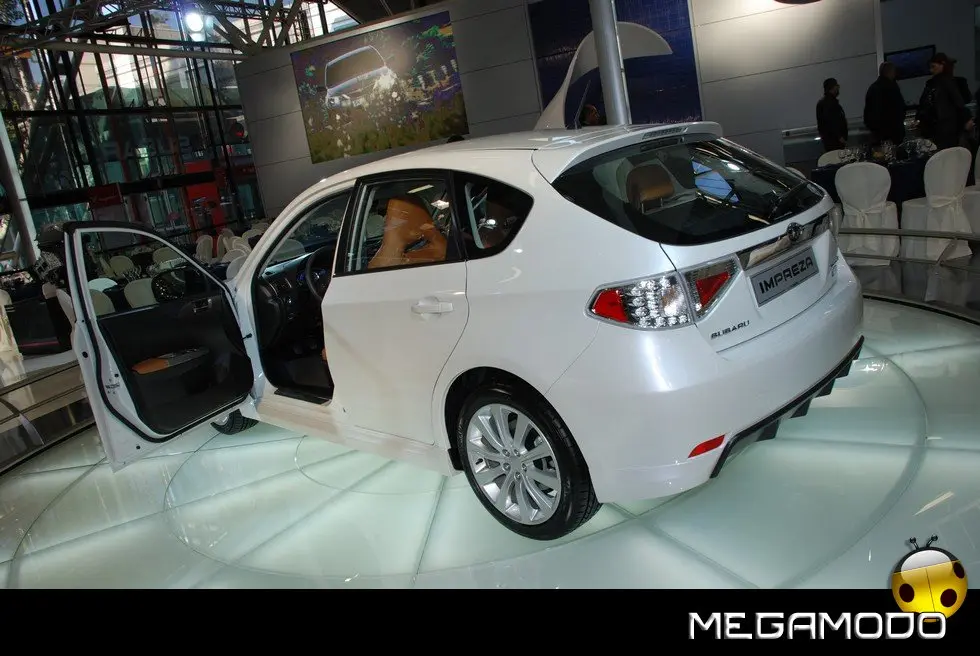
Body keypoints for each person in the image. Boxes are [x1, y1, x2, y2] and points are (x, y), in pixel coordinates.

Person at [916, 52, 974, 150]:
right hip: (942, 127)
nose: (931, 70)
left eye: (933, 67)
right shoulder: (937, 83)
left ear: (942, 65)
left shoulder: (942, 83)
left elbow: (958, 102)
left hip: (945, 127)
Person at [863, 62, 906, 145]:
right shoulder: (891, 87)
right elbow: (898, 109)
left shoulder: (873, 88)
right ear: (890, 72)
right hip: (892, 134)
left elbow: (869, 115)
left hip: (880, 135)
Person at [816, 78, 848, 152]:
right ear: (832, 88)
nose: (838, 88)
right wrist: (839, 136)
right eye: (837, 86)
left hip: (831, 141)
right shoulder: (830, 103)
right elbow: (830, 122)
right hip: (835, 142)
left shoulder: (824, 102)